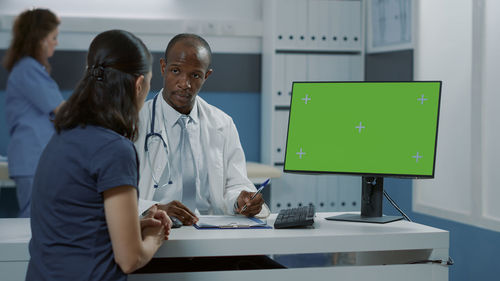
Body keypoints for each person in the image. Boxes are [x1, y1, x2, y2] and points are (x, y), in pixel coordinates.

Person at [26, 29, 172, 281]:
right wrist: (154, 238)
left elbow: (76, 226)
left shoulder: (63, 135)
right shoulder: (114, 150)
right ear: (138, 85)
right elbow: (129, 259)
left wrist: (134, 227)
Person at [135, 33, 269, 224]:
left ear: (207, 76)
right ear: (163, 67)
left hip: (208, 230)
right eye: (175, 71)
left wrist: (241, 199)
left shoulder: (222, 124)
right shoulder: (136, 121)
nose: (184, 84)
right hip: (155, 229)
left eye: (195, 75)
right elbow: (114, 196)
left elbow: (235, 183)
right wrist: (153, 208)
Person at [2, 8, 65, 217]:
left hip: (35, 157)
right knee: (35, 216)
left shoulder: (28, 69)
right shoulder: (28, 69)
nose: (56, 43)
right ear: (40, 39)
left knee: (38, 214)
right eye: (53, 37)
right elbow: (63, 110)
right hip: (33, 157)